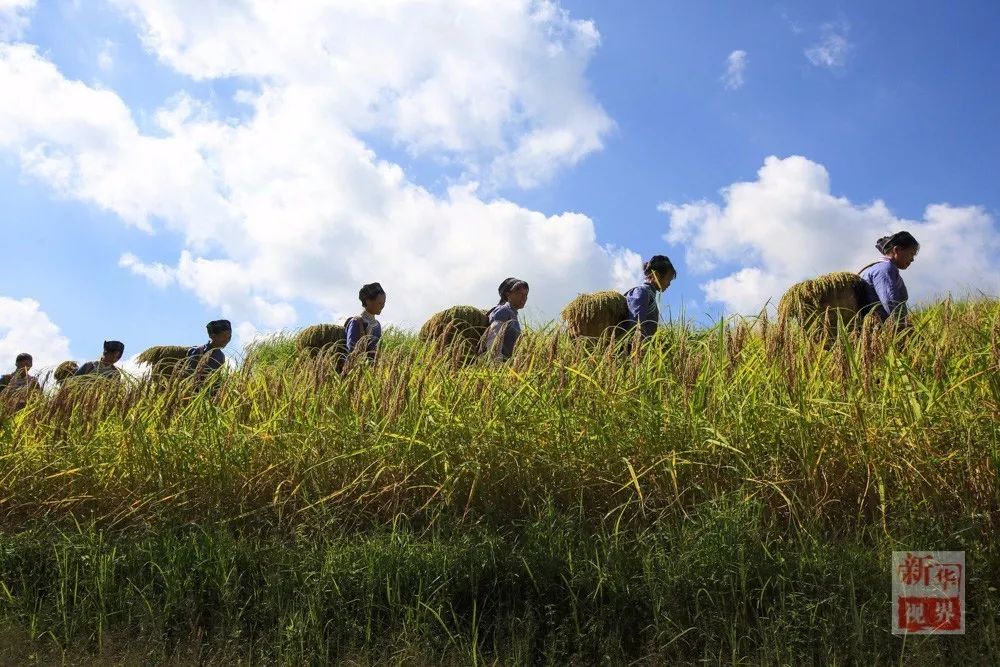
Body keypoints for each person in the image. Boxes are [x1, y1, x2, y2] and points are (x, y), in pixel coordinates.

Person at [858, 231, 919, 326]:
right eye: (911, 254)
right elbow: (891, 302)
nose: (912, 259)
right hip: (879, 329)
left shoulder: (881, 268)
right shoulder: (885, 269)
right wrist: (906, 329)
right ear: (897, 250)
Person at [623, 255, 676, 339]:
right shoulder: (642, 292)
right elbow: (635, 325)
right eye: (668, 279)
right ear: (657, 275)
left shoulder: (649, 295)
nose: (669, 284)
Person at [484, 278, 529, 361]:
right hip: (498, 366)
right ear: (508, 294)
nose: (524, 298)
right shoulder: (503, 311)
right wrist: (495, 364)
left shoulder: (512, 314)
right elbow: (493, 340)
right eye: (520, 294)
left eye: (526, 295)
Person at [345, 282, 385, 366]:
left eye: (383, 303)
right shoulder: (356, 321)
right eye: (380, 303)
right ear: (368, 301)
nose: (382, 306)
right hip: (356, 368)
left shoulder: (377, 325)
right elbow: (351, 349)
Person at [185, 320, 232, 390]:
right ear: (213, 336)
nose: (227, 340)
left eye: (229, 337)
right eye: (224, 336)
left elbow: (217, 379)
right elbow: (187, 376)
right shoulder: (197, 351)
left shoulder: (221, 356)